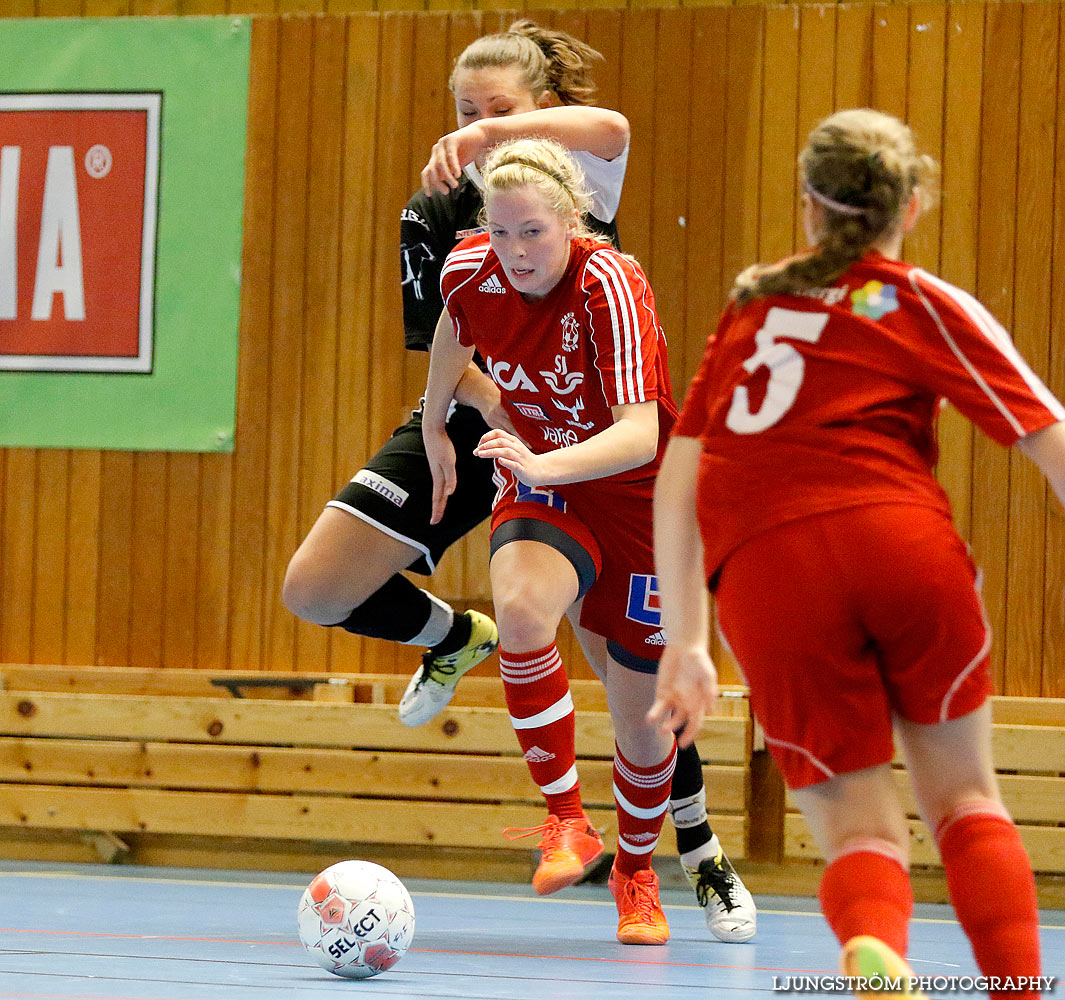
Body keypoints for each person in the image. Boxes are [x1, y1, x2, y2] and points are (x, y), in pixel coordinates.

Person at [283, 20, 755, 943]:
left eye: (499, 111)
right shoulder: (440, 224)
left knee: (627, 665)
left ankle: (687, 852)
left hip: (598, 444)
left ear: (543, 120)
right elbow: (448, 341)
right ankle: (460, 641)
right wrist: (475, 415)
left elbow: (611, 127)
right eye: (463, 111)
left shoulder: (582, 195)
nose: (475, 126)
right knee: (320, 587)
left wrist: (495, 138)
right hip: (492, 424)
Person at [650, 108, 1064, 994]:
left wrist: (686, 643)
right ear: (909, 206)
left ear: (807, 202)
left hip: (766, 573)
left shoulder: (753, 301)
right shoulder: (915, 300)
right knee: (964, 801)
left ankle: (873, 947)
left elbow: (678, 476)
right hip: (894, 539)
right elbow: (1048, 436)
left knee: (863, 832)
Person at [422, 135, 688, 944]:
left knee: (641, 721)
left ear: (572, 221)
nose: (515, 252)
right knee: (525, 613)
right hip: (545, 485)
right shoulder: (470, 268)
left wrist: (543, 456)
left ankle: (636, 874)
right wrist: (436, 419)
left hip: (641, 502)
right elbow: (454, 329)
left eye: (532, 232)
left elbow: (640, 434)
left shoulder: (611, 281)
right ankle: (566, 821)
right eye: (500, 234)